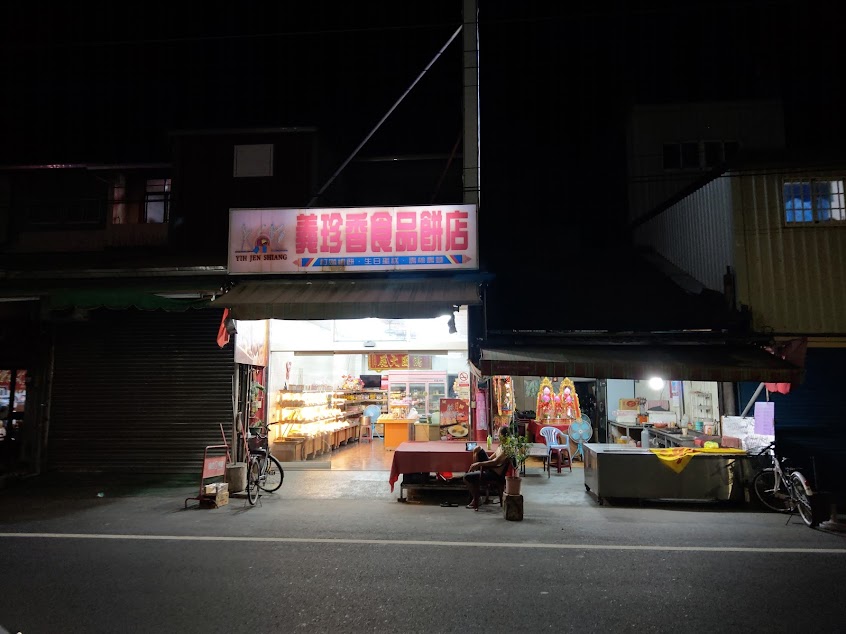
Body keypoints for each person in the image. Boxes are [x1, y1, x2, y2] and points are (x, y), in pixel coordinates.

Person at [463, 427, 513, 510]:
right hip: (491, 469)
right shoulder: (501, 445)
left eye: (498, 434)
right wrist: (479, 461)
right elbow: (490, 459)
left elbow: (495, 462)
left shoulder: (507, 448)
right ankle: (477, 472)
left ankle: (476, 499)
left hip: (495, 474)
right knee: (478, 449)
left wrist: (479, 464)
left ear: (502, 435)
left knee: (466, 477)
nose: (497, 435)